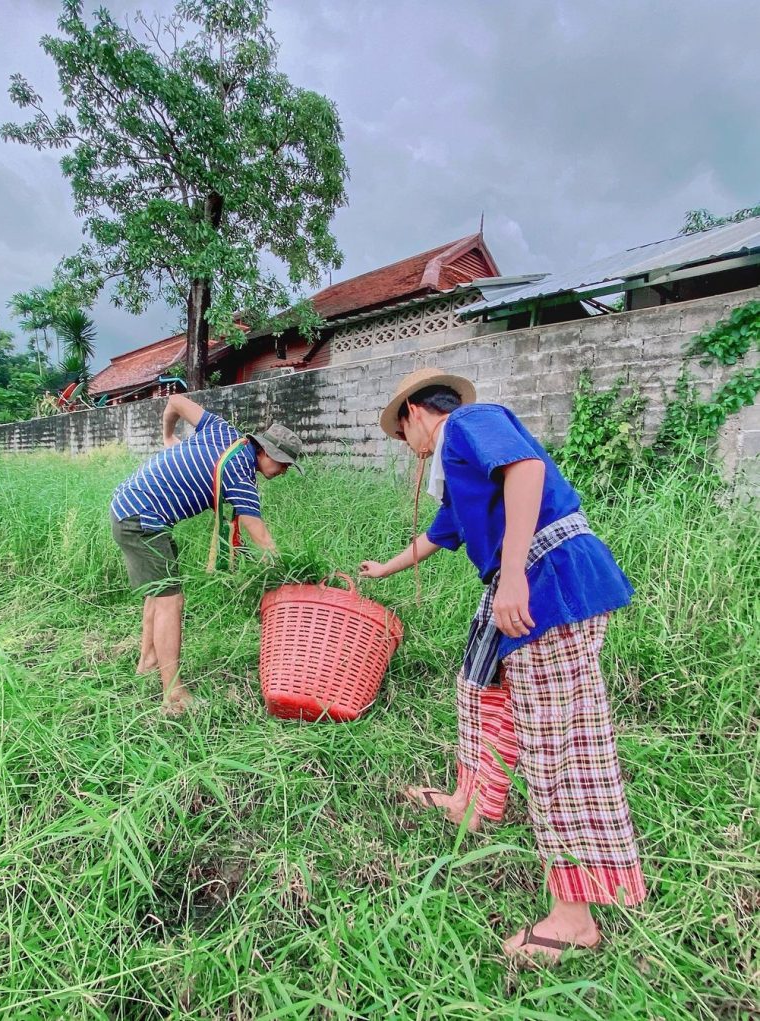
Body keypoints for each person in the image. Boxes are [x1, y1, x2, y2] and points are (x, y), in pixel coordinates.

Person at [359, 368, 646, 964]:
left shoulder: (467, 423)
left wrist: (513, 572)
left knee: (556, 743)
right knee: (477, 688)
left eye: (399, 431)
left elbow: (527, 470)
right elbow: (441, 536)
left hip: (549, 582)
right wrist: (381, 571)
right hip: (517, 589)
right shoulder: (457, 475)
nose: (403, 445)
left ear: (417, 412)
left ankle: (575, 916)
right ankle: (475, 799)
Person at [110, 394, 302, 715]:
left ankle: (147, 662)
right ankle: (173, 695)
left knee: (159, 594)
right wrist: (286, 571)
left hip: (134, 509)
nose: (282, 471)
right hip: (141, 519)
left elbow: (174, 402)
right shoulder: (240, 476)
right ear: (267, 452)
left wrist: (168, 436)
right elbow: (259, 533)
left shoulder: (223, 433)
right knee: (171, 601)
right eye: (283, 464)